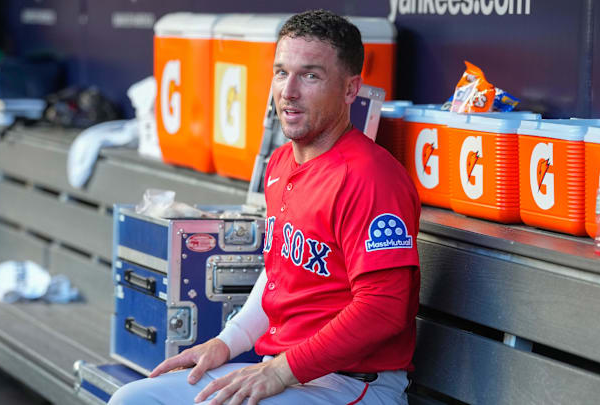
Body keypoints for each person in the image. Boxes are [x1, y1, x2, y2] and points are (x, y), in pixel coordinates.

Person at [109, 9, 420, 405]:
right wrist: (226, 343)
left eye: (310, 75)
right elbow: (277, 274)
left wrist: (280, 371)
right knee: (131, 400)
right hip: (282, 370)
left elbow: (383, 309)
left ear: (349, 89)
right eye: (280, 72)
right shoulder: (281, 163)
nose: (288, 91)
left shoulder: (371, 177)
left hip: (351, 383)